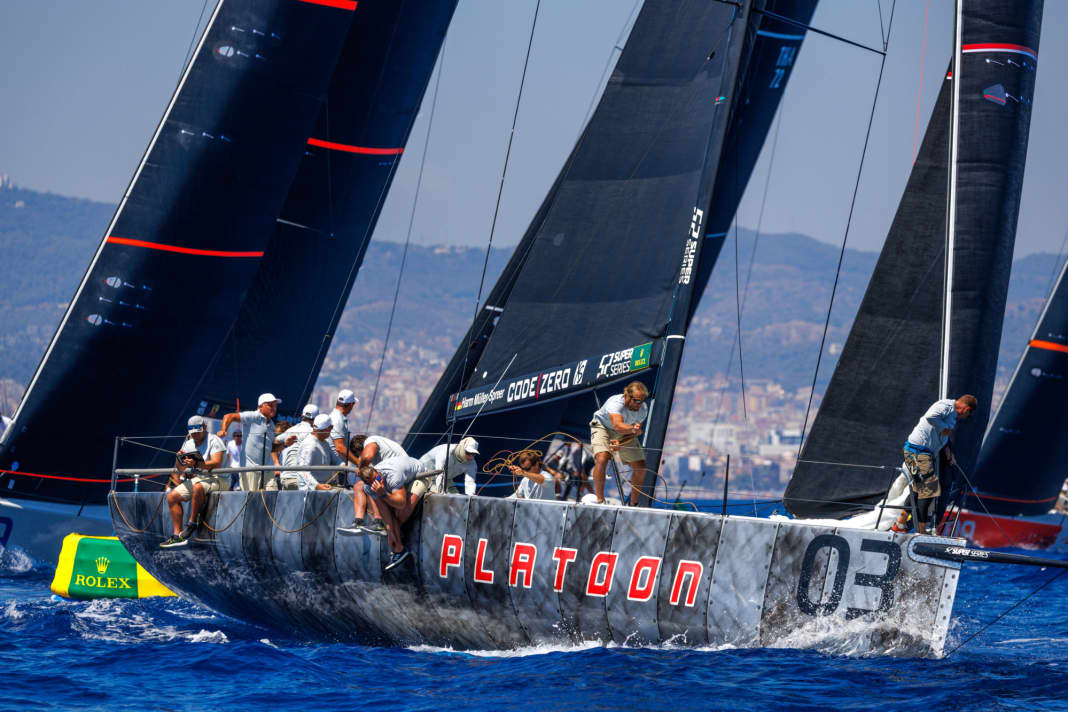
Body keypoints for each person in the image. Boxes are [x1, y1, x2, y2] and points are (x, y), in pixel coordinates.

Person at [893, 394, 977, 534]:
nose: (965, 418)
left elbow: (941, 436)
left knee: (918, 489)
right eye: (967, 415)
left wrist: (948, 451)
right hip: (916, 451)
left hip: (925, 454)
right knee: (929, 490)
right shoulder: (945, 406)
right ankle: (920, 531)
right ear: (966, 409)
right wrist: (944, 427)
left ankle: (900, 524)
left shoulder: (952, 416)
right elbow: (931, 417)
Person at [161, 416, 227, 548]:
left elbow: (217, 463)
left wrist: (197, 463)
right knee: (172, 497)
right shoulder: (188, 443)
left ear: (205, 428)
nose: (195, 435)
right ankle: (177, 536)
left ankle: (191, 524)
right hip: (199, 478)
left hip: (219, 478)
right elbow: (179, 469)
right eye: (193, 433)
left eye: (198, 432)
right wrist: (180, 459)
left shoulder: (215, 440)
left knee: (198, 487)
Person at [353, 455, 427, 570]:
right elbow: (385, 512)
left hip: (420, 475)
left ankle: (401, 547)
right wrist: (390, 531)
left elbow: (401, 504)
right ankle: (399, 548)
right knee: (391, 518)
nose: (377, 483)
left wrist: (383, 494)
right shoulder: (369, 488)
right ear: (366, 483)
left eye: (377, 479)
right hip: (401, 481)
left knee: (401, 513)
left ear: (377, 471)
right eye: (372, 483)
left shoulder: (393, 475)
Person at [589, 381, 650, 506]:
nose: (639, 405)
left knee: (641, 468)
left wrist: (622, 442)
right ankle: (600, 501)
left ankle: (633, 504)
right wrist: (634, 429)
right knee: (602, 458)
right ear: (627, 395)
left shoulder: (643, 409)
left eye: (642, 401)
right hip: (602, 426)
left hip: (625, 432)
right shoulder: (615, 403)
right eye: (637, 401)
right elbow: (617, 425)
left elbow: (634, 434)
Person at [218, 393, 285, 491]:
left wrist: (286, 444)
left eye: (275, 405)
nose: (274, 408)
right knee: (251, 501)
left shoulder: (272, 425)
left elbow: (272, 448)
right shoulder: (253, 416)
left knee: (272, 496)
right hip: (250, 470)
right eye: (270, 405)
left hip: (267, 470)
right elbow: (228, 416)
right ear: (260, 406)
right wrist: (223, 430)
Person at [279, 414, 339, 491]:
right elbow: (303, 470)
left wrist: (344, 466)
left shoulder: (325, 442)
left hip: (322, 488)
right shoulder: (310, 445)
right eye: (331, 427)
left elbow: (336, 459)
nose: (332, 430)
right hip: (310, 491)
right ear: (324, 429)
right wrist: (316, 485)